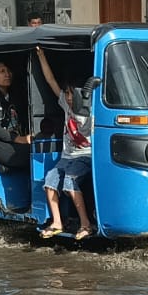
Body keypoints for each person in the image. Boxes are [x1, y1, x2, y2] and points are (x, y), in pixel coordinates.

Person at [35, 46, 94, 240]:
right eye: (67, 93)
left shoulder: (89, 112)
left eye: (71, 94)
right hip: (66, 157)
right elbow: (50, 80)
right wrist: (41, 56)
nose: (68, 97)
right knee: (50, 182)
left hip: (84, 157)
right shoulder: (65, 106)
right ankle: (57, 222)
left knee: (70, 182)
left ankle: (86, 225)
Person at [0, 60, 30, 172]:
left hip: (15, 140)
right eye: (2, 71)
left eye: (9, 71)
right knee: (29, 154)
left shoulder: (14, 94)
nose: (7, 74)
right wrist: (18, 139)